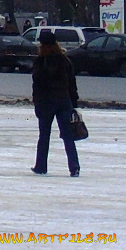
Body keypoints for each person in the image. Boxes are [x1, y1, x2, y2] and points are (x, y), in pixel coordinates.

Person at [31, 30, 80, 176]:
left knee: (44, 136)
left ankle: (41, 166)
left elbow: (37, 85)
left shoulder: (40, 62)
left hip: (47, 101)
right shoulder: (65, 61)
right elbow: (72, 83)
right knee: (68, 136)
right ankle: (74, 167)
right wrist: (74, 103)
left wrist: (37, 103)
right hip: (64, 100)